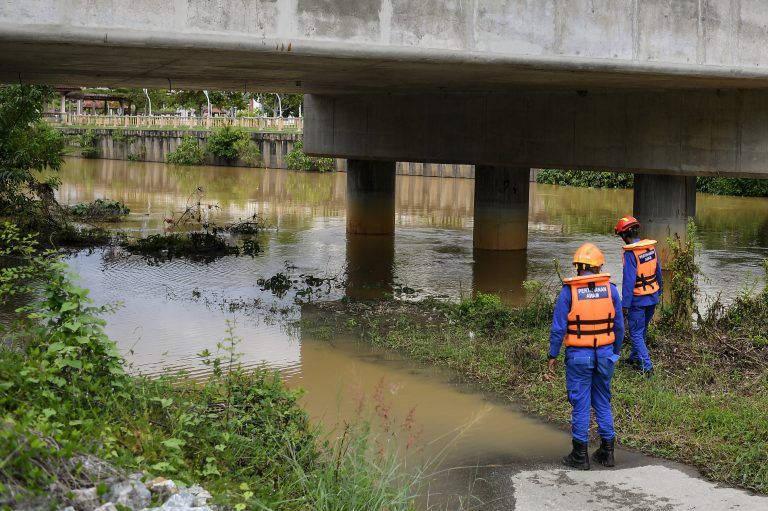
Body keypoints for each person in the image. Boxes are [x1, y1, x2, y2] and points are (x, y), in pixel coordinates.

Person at [548, 243, 624, 470]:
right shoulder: (611, 290)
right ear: (598, 267)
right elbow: (619, 326)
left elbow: (558, 328)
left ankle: (580, 456)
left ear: (578, 267)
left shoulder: (568, 291)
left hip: (579, 357)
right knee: (602, 400)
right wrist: (615, 351)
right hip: (605, 354)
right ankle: (607, 452)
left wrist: (552, 355)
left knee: (581, 403)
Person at [614, 215, 662, 375]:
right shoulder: (650, 248)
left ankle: (647, 368)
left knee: (635, 333)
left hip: (638, 300)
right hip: (652, 296)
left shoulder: (631, 253)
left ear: (624, 235)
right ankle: (634, 357)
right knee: (641, 330)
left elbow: (628, 281)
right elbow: (658, 272)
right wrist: (659, 292)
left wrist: (625, 305)